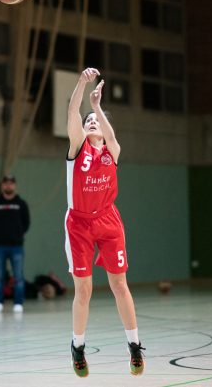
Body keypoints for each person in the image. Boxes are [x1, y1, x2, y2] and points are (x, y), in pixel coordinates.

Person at [64, 68, 144, 377]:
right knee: (83, 291)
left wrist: (97, 106)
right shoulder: (77, 146)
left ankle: (135, 346)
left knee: (119, 284)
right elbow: (73, 110)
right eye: (88, 121)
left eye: (94, 120)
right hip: (80, 224)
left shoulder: (112, 151)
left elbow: (111, 136)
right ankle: (78, 347)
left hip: (109, 220)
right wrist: (83, 85)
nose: (91, 122)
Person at [0, 174, 30, 313]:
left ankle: (18, 303)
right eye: (5, 183)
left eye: (11, 183)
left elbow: (26, 223)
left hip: (17, 246)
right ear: (1, 186)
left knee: (18, 276)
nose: (8, 185)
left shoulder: (21, 204)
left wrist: (17, 234)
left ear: (14, 185)